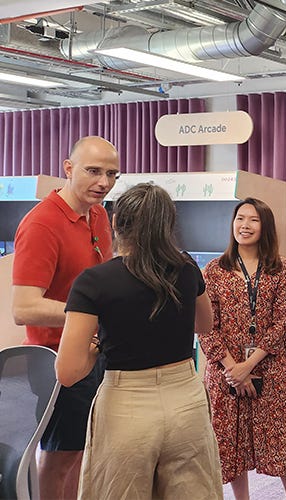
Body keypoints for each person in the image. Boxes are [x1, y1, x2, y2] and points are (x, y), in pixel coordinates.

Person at [55, 183, 223, 498]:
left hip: (125, 407)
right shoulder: (187, 268)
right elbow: (205, 324)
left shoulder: (94, 282)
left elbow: (68, 372)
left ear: (116, 222)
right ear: (168, 225)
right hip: (186, 403)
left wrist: (94, 351)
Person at [11, 136, 118, 499]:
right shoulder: (41, 224)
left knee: (82, 456)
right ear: (68, 169)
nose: (103, 182)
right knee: (59, 460)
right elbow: (23, 307)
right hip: (58, 362)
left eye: (111, 174)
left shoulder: (100, 213)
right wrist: (92, 314)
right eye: (93, 171)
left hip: (96, 355)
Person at [200, 198, 286, 499]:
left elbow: (281, 323)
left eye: (253, 220)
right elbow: (205, 327)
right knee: (231, 443)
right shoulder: (214, 270)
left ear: (265, 227)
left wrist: (247, 367)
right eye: (240, 218)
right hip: (225, 373)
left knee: (285, 441)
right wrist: (233, 369)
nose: (245, 225)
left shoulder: (281, 268)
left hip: (271, 366)